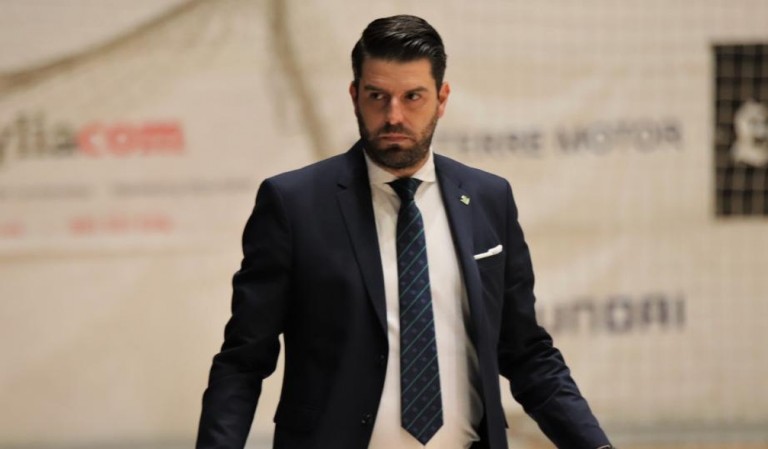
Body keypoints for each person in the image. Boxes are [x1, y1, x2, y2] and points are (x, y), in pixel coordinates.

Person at [197, 14, 613, 449]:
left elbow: (528, 354)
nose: (394, 115)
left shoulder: (490, 199)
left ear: (442, 97)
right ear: (355, 95)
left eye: (413, 96)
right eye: (378, 96)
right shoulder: (293, 204)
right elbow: (243, 361)